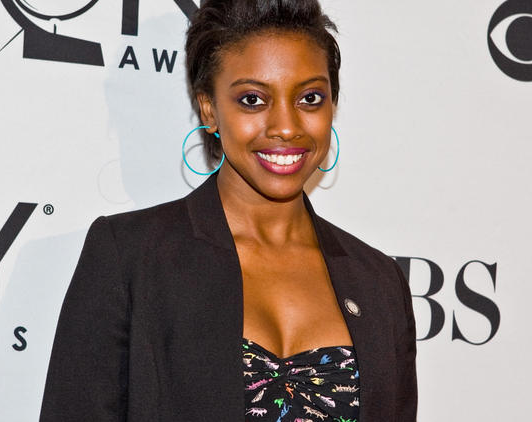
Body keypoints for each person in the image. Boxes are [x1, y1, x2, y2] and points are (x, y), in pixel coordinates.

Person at [39, 0, 417, 420]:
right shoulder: (130, 256)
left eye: (310, 98)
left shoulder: (379, 282)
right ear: (209, 109)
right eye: (253, 100)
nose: (286, 126)